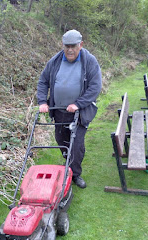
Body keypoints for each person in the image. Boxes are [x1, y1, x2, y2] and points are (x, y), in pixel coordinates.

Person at [37, 29, 102, 188]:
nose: (70, 50)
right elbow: (43, 81)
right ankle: (68, 167)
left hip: (79, 113)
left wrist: (78, 104)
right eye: (67, 46)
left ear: (81, 45)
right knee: (61, 141)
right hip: (58, 111)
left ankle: (75, 174)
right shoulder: (55, 61)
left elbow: (95, 87)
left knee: (77, 145)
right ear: (63, 45)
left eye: (73, 46)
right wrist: (42, 102)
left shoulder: (89, 61)